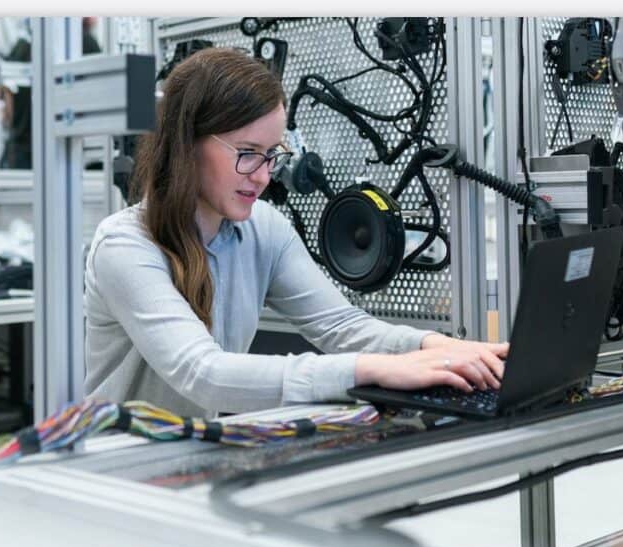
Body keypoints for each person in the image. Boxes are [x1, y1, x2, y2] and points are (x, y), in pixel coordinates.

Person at [84, 48, 507, 417]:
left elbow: (341, 326)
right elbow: (203, 373)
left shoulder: (263, 229)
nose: (263, 176)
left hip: (194, 454)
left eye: (272, 155)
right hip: (118, 466)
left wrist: (437, 347)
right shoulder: (126, 246)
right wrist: (372, 370)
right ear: (187, 145)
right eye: (247, 153)